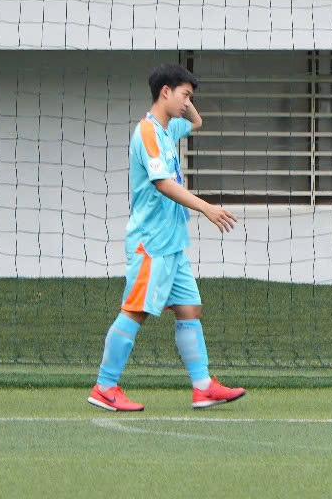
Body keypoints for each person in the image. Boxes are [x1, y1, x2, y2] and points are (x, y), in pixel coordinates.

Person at [86, 62, 247, 412]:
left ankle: (203, 387)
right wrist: (206, 207)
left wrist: (186, 98)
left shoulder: (167, 128)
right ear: (165, 92)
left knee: (190, 308)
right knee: (136, 311)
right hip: (151, 241)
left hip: (173, 243)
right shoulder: (147, 132)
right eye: (184, 95)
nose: (188, 102)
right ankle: (105, 386)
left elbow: (196, 122)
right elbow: (163, 183)